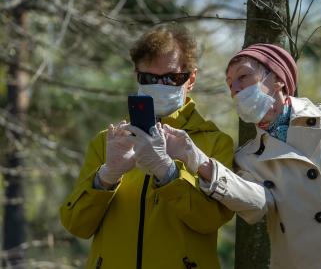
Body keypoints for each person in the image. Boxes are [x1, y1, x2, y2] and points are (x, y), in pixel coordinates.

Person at [163, 44, 321, 269]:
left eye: (243, 77)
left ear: (277, 79)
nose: (235, 89)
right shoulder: (247, 157)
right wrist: (195, 159)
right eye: (231, 85)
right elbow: (256, 205)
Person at [59, 23, 234, 269]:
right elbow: (76, 224)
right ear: (137, 76)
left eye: (172, 78)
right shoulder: (108, 141)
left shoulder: (215, 143)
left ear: (191, 78)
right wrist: (106, 177)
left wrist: (169, 173)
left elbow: (210, 219)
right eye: (150, 78)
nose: (159, 85)